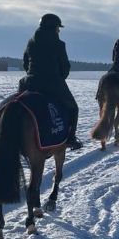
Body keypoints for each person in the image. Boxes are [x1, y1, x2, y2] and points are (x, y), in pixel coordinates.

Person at [20, 13, 83, 149]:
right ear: (53, 28)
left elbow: (25, 62)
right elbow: (65, 68)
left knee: (18, 103)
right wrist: (59, 77)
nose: (59, 31)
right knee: (73, 108)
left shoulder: (31, 42)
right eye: (58, 28)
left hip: (29, 82)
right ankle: (71, 139)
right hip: (52, 83)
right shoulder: (59, 44)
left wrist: (32, 74)